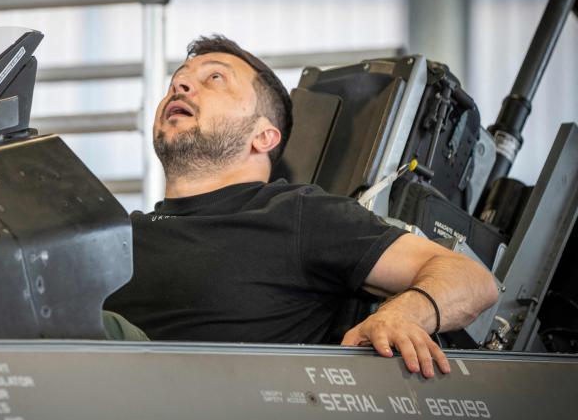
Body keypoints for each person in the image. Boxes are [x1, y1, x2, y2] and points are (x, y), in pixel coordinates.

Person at [104, 35, 499, 378]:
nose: (182, 87)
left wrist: (403, 315)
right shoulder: (115, 237)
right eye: (178, 82)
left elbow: (471, 279)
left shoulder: (295, 214)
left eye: (214, 78)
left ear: (263, 135)